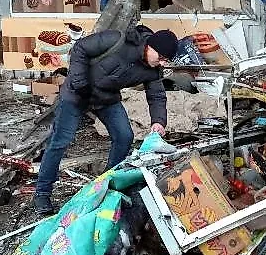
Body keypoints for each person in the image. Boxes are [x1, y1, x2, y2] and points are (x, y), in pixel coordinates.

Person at [33, 25, 179, 214]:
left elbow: (157, 96)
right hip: (77, 94)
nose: (162, 63)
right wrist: (80, 82)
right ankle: (42, 193)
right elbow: (80, 48)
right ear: (150, 46)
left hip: (106, 98)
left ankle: (107, 184)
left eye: (166, 61)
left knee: (125, 136)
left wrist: (158, 121)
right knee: (60, 141)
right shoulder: (117, 40)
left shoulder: (153, 70)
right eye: (161, 58)